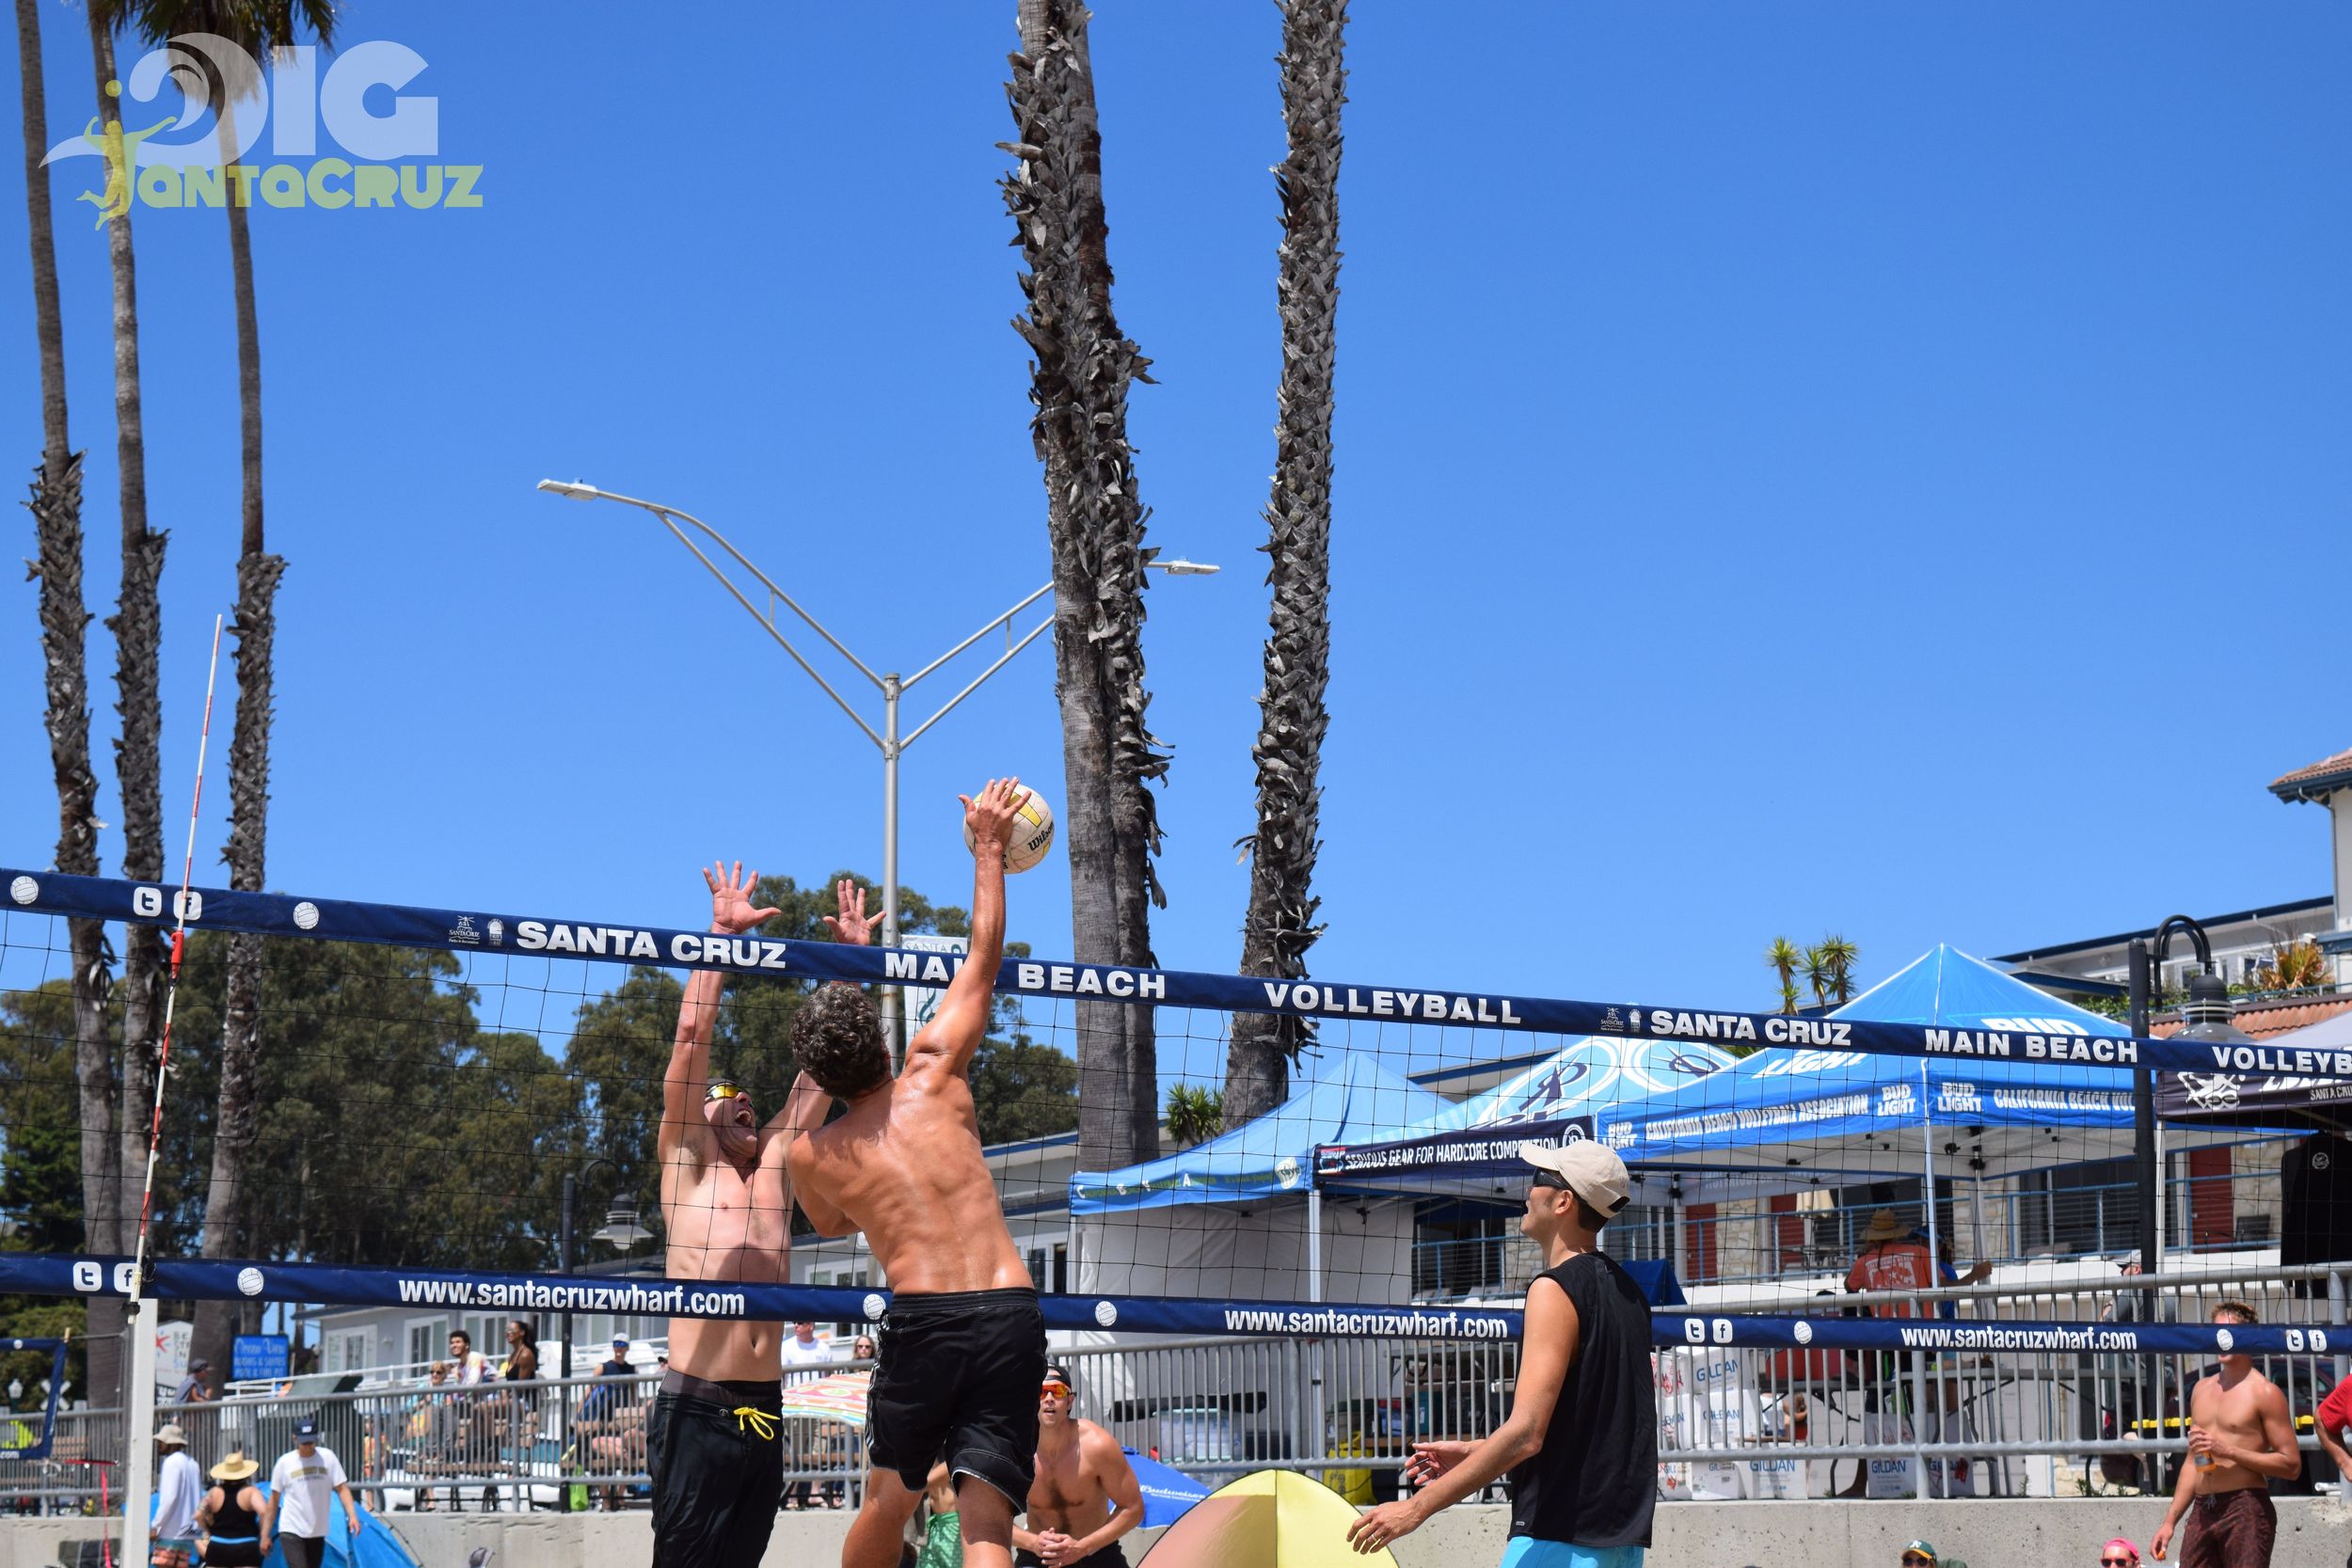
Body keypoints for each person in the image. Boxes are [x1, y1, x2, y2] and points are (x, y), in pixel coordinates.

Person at [786, 780, 1041, 1568]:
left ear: (819, 1073)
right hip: (1009, 1307)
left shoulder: (813, 1153)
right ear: (882, 1037)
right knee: (986, 1522)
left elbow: (831, 1222)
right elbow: (984, 958)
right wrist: (989, 847)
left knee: (888, 1502)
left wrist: (844, 974)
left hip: (927, 1320)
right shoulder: (936, 1068)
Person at [1345, 1140, 1655, 1566]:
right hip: (1621, 1545)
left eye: (1539, 1179)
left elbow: (1527, 1434)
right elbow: (1588, 1432)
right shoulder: (1630, 1294)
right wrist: (1476, 1452)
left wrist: (1415, 1507)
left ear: (1563, 1201)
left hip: (1559, 1538)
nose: (1528, 1190)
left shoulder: (1554, 1289)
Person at [648, 859, 833, 1566]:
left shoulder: (776, 1165)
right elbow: (691, 1038)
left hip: (764, 1407)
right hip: (697, 1405)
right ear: (697, 1117)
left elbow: (820, 1071)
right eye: (725, 1095)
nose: (743, 1098)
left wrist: (849, 967)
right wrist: (721, 939)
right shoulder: (687, 1167)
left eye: (749, 1095)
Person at [2151, 1302, 2299, 1568]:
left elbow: (2291, 1465)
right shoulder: (2201, 1389)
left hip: (2245, 1506)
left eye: (2229, 1332)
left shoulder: (2264, 1393)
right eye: (2217, 1332)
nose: (2222, 1339)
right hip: (2203, 1507)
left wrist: (2228, 1450)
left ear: (2248, 1337)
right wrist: (2169, 1522)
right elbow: (2193, 1460)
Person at [1014, 1363, 1143, 1568]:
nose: (1049, 1398)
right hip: (1038, 1553)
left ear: (1070, 1401)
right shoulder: (1017, 1450)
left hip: (1095, 1553)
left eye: (1057, 1391)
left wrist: (1083, 1547)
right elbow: (990, 1516)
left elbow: (1133, 1508)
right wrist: (1032, 1542)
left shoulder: (1097, 1445)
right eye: (1041, 1392)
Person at [267, 1418, 361, 1568]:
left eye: (311, 1442)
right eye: (304, 1442)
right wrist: (265, 1534)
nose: (308, 1446)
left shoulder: (328, 1458)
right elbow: (274, 1499)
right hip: (291, 1528)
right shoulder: (285, 1462)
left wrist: (353, 1516)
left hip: (317, 1530)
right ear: (295, 1439)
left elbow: (342, 1489)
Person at [195, 1449, 267, 1567]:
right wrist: (263, 1535)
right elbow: (264, 1512)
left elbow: (198, 1515)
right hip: (245, 1545)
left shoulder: (213, 1493)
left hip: (218, 1545)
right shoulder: (251, 1492)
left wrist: (207, 1533)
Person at [152, 1421, 203, 1559]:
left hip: (172, 1532)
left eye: (162, 1441)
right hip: (190, 1532)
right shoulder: (193, 1463)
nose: (158, 1444)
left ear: (173, 1444)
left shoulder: (171, 1462)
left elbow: (170, 1498)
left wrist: (156, 1525)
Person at [918, 1461, 965, 1568]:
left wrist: (913, 1486)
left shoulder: (953, 1456)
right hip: (934, 1525)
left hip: (954, 1524)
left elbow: (950, 1467)